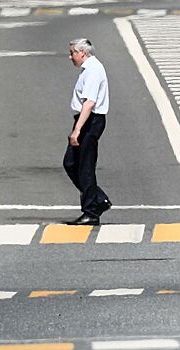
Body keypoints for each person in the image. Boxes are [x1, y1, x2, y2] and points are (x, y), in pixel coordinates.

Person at [63, 38, 112, 225]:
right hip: (87, 121)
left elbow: (89, 103)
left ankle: (91, 212)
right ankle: (98, 199)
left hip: (90, 121)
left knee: (84, 166)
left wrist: (77, 130)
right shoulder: (90, 69)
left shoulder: (93, 71)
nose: (70, 57)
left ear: (82, 52)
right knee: (71, 163)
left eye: (72, 53)